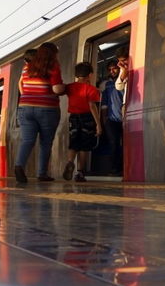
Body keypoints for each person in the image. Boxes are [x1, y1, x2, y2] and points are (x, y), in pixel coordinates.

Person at [13, 41, 66, 183]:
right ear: (53, 54)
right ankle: (42, 174)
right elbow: (57, 90)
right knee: (45, 143)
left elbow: (21, 84)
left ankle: (19, 166)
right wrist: (66, 88)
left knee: (27, 140)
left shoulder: (27, 67)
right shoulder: (52, 66)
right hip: (47, 109)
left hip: (25, 108)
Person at [62, 62, 102, 182]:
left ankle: (70, 162)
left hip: (73, 117)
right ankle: (79, 173)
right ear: (90, 75)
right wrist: (98, 124)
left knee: (73, 142)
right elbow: (92, 106)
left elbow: (59, 90)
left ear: (76, 74)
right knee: (84, 146)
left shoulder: (69, 87)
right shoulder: (92, 89)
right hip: (87, 118)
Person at [98, 48, 130, 177]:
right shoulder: (106, 85)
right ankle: (115, 169)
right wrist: (104, 121)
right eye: (110, 70)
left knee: (127, 144)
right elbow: (104, 105)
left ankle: (126, 168)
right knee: (114, 144)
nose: (112, 71)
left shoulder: (127, 78)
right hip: (112, 119)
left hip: (125, 117)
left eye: (114, 68)